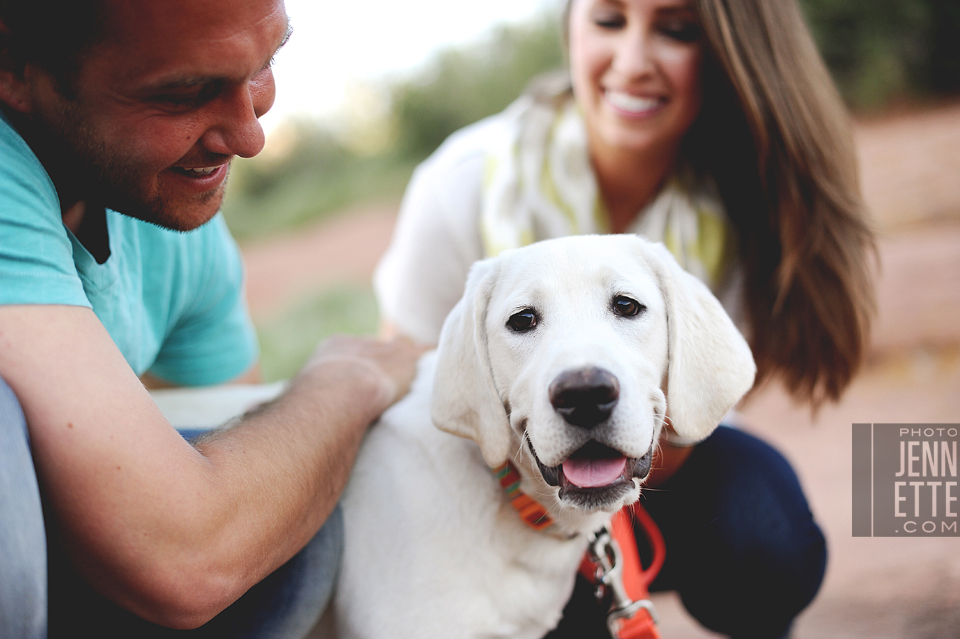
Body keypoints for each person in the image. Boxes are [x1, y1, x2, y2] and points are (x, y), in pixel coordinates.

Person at [374, 0, 875, 636]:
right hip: (493, 490)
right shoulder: (463, 182)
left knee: (764, 524)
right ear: (570, 32)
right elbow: (412, 386)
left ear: (728, 52)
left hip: (666, 463)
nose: (633, 62)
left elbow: (699, 402)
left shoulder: (754, 193)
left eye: (675, 30)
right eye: (609, 21)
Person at [0, 0, 423, 637]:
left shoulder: (166, 218)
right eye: (185, 92)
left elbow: (241, 498)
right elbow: (185, 556)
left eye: (265, 64)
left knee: (281, 505)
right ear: (12, 62)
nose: (251, 138)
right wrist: (347, 382)